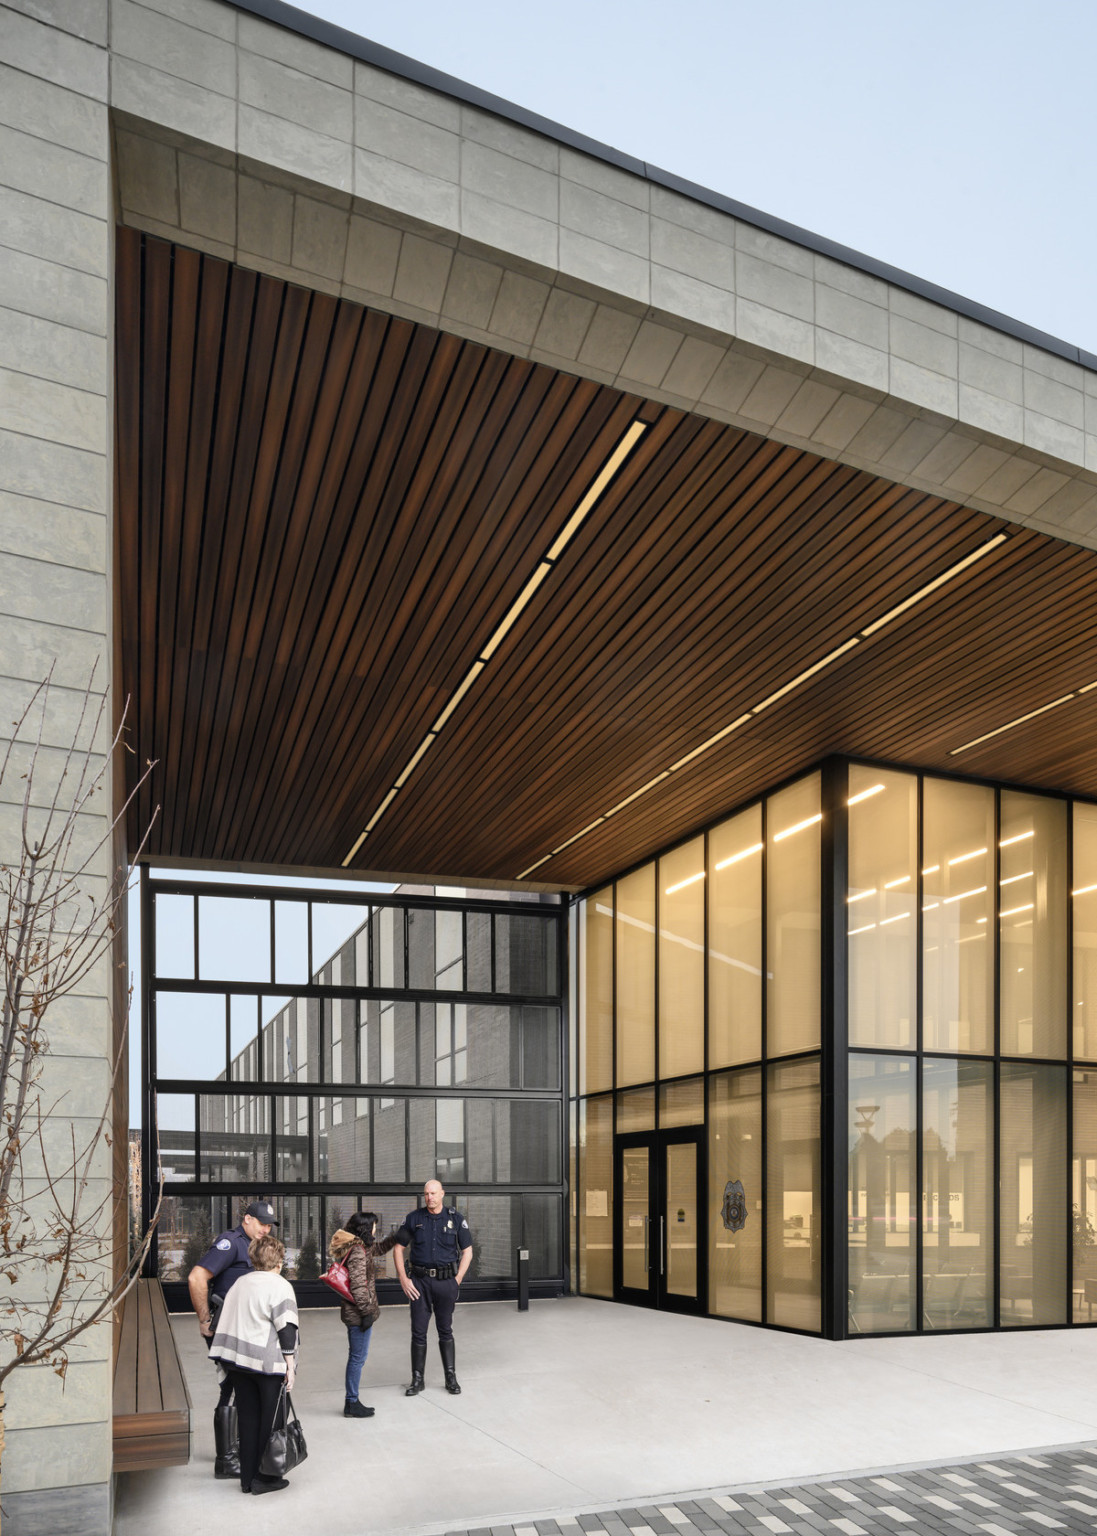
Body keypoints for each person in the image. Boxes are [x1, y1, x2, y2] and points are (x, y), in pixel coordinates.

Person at [188, 1198, 278, 1478]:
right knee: (231, 1387)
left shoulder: (254, 1246)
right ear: (247, 1219)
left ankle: (236, 1448)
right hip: (226, 1329)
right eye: (262, 1224)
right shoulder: (232, 1243)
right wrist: (204, 1319)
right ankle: (226, 1460)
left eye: (269, 1225)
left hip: (244, 1331)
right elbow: (196, 1277)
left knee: (242, 1389)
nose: (266, 1229)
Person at [208, 1231, 300, 1496]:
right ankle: (266, 1478)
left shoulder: (240, 1283)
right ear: (279, 1261)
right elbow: (286, 1330)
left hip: (239, 1362)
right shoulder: (280, 1285)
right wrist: (290, 1366)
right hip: (267, 1365)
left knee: (247, 1421)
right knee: (271, 1423)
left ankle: (247, 1479)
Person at [394, 1179, 472, 1396]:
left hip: (446, 1282)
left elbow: (468, 1251)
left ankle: (451, 1377)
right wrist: (403, 1278)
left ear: (442, 1194)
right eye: (427, 1193)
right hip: (419, 1283)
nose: (430, 1197)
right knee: (418, 1332)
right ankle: (417, 1380)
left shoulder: (455, 1219)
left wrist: (457, 1280)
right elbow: (398, 1248)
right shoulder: (414, 1218)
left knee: (445, 1330)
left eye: (434, 1193)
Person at [328, 1210, 399, 1417]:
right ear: (366, 1228)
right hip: (358, 1314)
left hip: (356, 1312)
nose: (376, 1229)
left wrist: (395, 1239)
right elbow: (359, 1286)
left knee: (358, 1356)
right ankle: (351, 1403)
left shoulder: (359, 1246)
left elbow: (377, 1249)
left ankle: (352, 1401)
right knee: (357, 1358)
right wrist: (367, 1312)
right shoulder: (357, 1250)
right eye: (374, 1225)